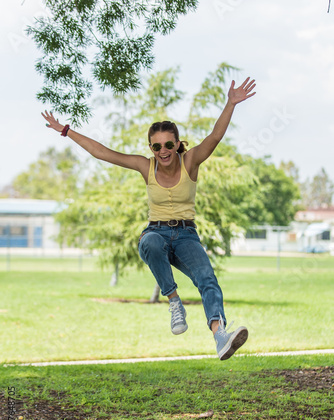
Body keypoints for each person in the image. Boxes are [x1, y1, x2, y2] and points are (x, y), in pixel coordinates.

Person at [42, 76, 256, 361]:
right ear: (151, 149)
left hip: (186, 236)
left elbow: (214, 136)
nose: (163, 151)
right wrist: (66, 130)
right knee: (151, 242)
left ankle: (220, 336)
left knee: (207, 278)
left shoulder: (190, 161)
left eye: (168, 144)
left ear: (177, 143)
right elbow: (102, 153)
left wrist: (230, 104)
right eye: (156, 147)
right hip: (155, 233)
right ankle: (174, 300)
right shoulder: (146, 166)